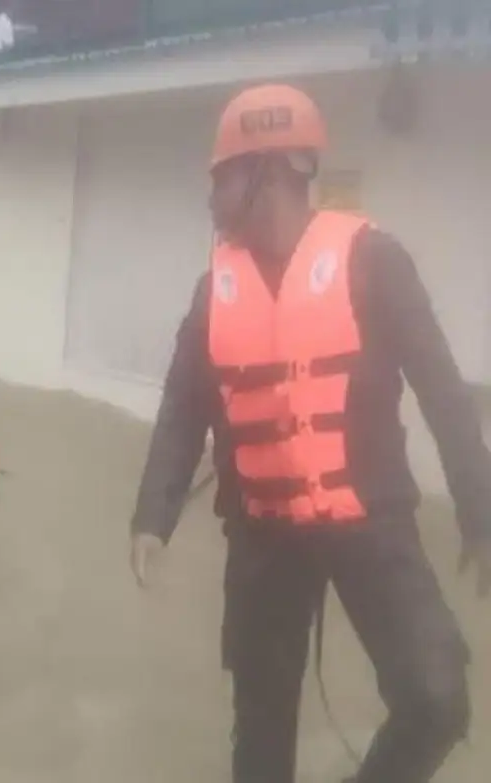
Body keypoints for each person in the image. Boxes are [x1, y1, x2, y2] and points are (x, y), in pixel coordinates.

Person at [128, 84, 491, 783]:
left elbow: (444, 390)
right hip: (263, 532)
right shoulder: (215, 289)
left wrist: (478, 511)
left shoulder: (372, 261)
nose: (209, 195)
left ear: (264, 174)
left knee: (438, 698)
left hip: (369, 517)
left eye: (220, 176)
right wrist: (153, 516)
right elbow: (182, 405)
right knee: (261, 727)